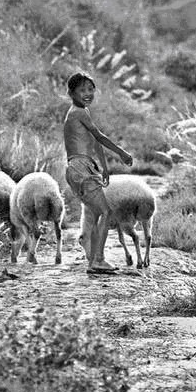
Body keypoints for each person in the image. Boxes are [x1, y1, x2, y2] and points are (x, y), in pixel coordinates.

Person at [63, 72, 133, 274]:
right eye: (82, 90)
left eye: (90, 89)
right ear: (71, 92)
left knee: (95, 214)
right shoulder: (78, 112)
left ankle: (94, 260)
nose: (87, 93)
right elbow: (99, 136)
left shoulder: (80, 113)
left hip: (80, 168)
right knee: (106, 212)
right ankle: (98, 260)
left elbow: (94, 141)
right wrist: (121, 152)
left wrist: (104, 167)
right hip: (80, 168)